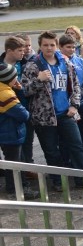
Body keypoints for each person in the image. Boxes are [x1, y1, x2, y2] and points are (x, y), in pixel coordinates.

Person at [22, 31, 83, 190]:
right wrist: (39, 80)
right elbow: (25, 90)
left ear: (56, 46)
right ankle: (58, 182)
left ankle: (82, 180)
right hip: (44, 118)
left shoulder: (65, 63)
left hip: (66, 114)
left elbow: (76, 86)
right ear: (40, 46)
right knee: (52, 152)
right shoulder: (33, 65)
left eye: (52, 45)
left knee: (76, 146)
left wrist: (74, 105)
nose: (49, 48)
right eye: (45, 45)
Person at [59, 34, 83, 171]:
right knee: (67, 137)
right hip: (66, 106)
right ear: (61, 47)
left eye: (73, 47)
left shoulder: (80, 61)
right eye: (68, 47)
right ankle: (68, 163)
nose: (71, 50)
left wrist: (79, 95)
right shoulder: (58, 62)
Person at [0, 63, 38, 199]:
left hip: (7, 133)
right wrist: (20, 92)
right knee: (15, 164)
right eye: (15, 76)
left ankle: (18, 188)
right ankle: (16, 191)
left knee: (14, 162)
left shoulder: (4, 89)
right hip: (11, 134)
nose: (17, 79)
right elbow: (24, 114)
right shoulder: (6, 95)